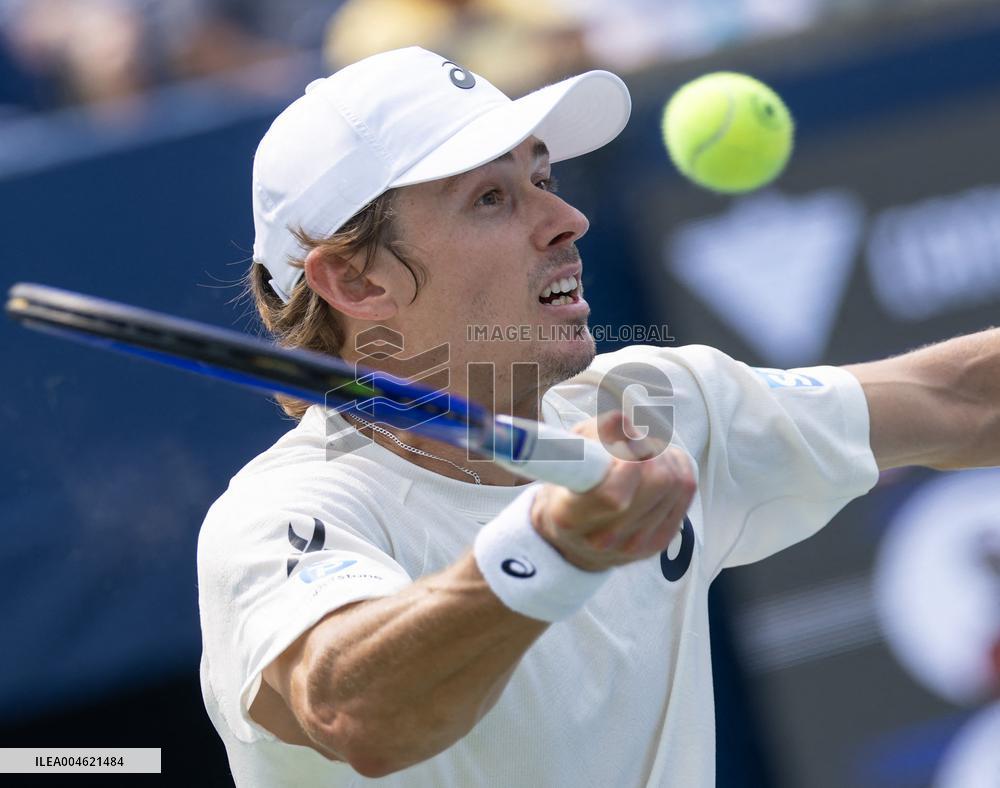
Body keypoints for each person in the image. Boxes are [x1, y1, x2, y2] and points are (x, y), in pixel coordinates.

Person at [196, 46, 1000, 786]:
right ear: (358, 283)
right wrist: (550, 548)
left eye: (542, 179)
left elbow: (963, 401)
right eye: (489, 198)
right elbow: (357, 713)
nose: (566, 219)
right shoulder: (284, 513)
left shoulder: (651, 404)